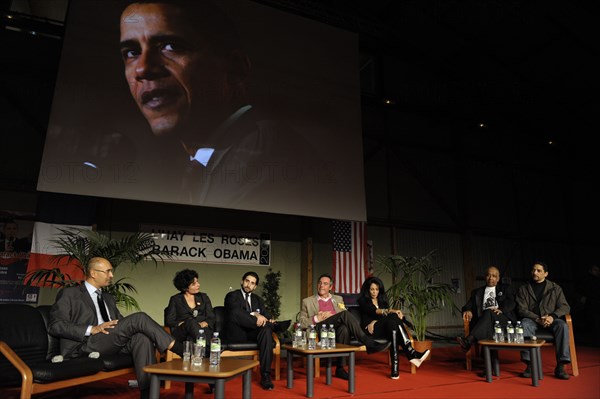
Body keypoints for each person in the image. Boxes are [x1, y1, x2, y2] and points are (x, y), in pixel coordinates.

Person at [118, 0, 330, 207]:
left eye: (170, 46)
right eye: (132, 53)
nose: (143, 69)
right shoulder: (203, 159)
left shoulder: (266, 150)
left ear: (235, 69)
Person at [48, 257, 183, 399]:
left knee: (141, 338)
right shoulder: (70, 293)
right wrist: (91, 329)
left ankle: (149, 395)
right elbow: (55, 325)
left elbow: (120, 323)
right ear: (93, 273)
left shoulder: (108, 298)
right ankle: (180, 349)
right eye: (107, 271)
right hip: (85, 345)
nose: (111, 275)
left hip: (109, 343)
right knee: (139, 317)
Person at [299, 273, 390, 381]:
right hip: (320, 328)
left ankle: (340, 369)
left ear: (330, 287)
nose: (321, 286)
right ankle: (368, 342)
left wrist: (334, 316)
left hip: (336, 329)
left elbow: (342, 317)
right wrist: (316, 318)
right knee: (345, 314)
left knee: (344, 329)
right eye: (320, 283)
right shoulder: (307, 301)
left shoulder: (338, 299)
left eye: (325, 284)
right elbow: (301, 322)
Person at [357, 276, 430, 379]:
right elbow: (373, 311)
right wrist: (391, 311)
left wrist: (377, 320)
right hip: (370, 329)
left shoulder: (382, 301)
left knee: (393, 327)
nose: (374, 292)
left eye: (377, 289)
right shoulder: (363, 300)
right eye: (372, 289)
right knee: (393, 317)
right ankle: (410, 352)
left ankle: (395, 370)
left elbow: (385, 318)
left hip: (384, 327)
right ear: (367, 290)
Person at [224, 271, 281, 390]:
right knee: (235, 312)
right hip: (237, 333)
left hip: (253, 333)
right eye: (247, 281)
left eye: (252, 283)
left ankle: (265, 376)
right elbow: (235, 312)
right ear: (242, 281)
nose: (248, 285)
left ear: (255, 287)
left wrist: (269, 320)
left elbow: (266, 314)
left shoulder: (258, 300)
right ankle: (270, 326)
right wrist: (255, 316)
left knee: (266, 331)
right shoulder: (232, 296)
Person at [516, 261, 572, 380]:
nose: (534, 272)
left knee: (562, 325)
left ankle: (561, 366)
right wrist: (536, 318)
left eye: (538, 270)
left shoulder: (555, 288)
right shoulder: (524, 288)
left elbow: (565, 307)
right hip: (532, 319)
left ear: (546, 274)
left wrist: (552, 316)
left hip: (550, 319)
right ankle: (530, 365)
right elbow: (521, 309)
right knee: (524, 325)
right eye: (533, 270)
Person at [456, 266, 516, 352]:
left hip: (502, 319)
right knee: (487, 317)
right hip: (483, 321)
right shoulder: (477, 292)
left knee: (489, 311)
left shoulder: (506, 288)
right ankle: (489, 358)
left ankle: (469, 340)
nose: (491, 278)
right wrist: (467, 310)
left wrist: (501, 309)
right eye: (488, 275)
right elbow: (467, 306)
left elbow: (512, 303)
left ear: (498, 278)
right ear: (485, 277)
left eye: (494, 276)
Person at [165, 269, 216, 344]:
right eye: (194, 284)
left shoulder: (204, 297)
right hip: (182, 332)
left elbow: (211, 317)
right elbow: (169, 320)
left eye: (197, 281)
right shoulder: (175, 299)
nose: (198, 285)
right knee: (190, 322)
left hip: (202, 330)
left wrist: (206, 323)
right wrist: (181, 324)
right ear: (185, 287)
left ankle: (200, 350)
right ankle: (209, 347)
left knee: (192, 337)